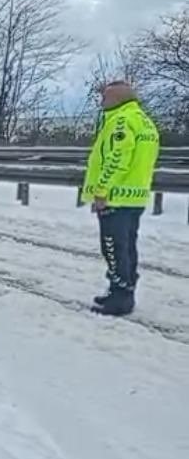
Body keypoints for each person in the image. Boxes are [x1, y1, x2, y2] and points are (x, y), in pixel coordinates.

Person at [81, 80, 161, 316]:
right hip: (135, 197)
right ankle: (125, 290)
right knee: (127, 247)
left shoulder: (121, 122)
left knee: (114, 249)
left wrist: (102, 191)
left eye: (105, 98)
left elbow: (118, 160)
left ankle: (120, 296)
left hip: (115, 196)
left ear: (117, 99)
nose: (101, 102)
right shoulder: (145, 122)